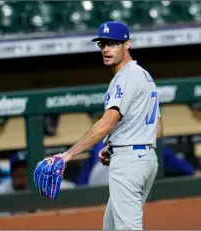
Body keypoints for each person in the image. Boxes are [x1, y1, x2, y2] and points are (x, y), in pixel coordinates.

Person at [55, 21, 162, 230]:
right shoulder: (143, 75)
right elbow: (156, 128)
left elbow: (108, 121)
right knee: (111, 226)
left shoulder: (126, 76)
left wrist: (69, 154)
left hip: (129, 163)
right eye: (103, 44)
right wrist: (115, 145)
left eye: (113, 44)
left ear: (127, 44)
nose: (106, 49)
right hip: (144, 158)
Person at [0, 152, 75, 195]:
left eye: (26, 175)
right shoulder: (2, 192)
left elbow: (72, 189)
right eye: (18, 175)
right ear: (12, 176)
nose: (22, 180)